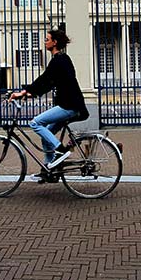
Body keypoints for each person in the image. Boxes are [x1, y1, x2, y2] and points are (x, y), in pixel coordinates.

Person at [8, 29, 88, 172]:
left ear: (54, 42)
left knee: (35, 123)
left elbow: (44, 79)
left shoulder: (59, 60)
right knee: (47, 134)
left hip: (68, 105)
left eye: (47, 39)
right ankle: (49, 168)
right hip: (70, 103)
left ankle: (60, 149)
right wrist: (30, 93)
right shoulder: (61, 59)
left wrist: (23, 92)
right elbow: (49, 82)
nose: (45, 42)